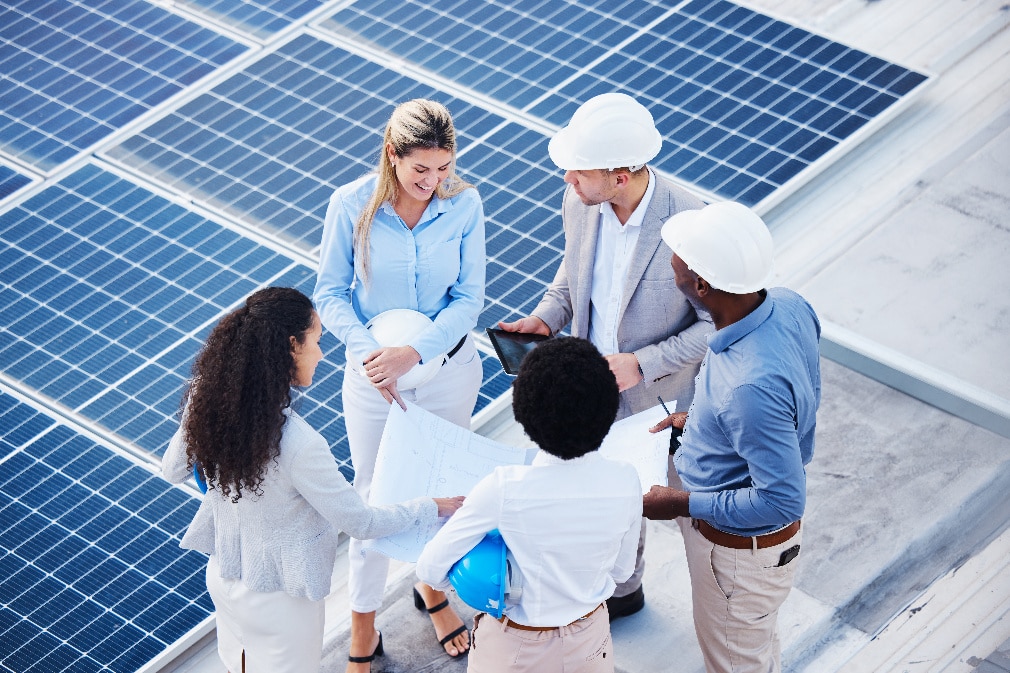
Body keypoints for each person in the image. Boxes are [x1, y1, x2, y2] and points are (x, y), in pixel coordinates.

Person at [161, 287, 464, 673]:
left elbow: (172, 470)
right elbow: (361, 522)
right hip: (282, 603)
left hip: (224, 578)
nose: (322, 354)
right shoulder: (299, 445)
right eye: (317, 341)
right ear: (291, 346)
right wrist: (430, 507)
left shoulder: (208, 398)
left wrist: (198, 405)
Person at [497, 92, 712, 618]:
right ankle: (614, 588)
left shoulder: (692, 223)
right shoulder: (580, 202)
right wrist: (546, 317)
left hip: (658, 402)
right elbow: (573, 278)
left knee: (655, 503)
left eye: (578, 172)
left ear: (620, 175)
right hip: (592, 391)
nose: (566, 180)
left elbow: (717, 326)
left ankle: (664, 598)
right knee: (599, 500)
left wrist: (641, 364)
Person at [313, 98, 485, 668]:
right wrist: (372, 358)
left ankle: (431, 587)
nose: (433, 183)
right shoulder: (350, 205)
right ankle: (363, 624)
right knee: (374, 496)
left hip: (447, 374)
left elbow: (468, 299)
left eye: (443, 169)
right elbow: (330, 295)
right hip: (375, 382)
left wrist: (416, 351)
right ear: (393, 156)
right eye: (420, 171)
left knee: (443, 485)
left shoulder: (464, 205)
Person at [642, 202, 822, 673]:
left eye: (677, 262)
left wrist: (680, 504)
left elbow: (782, 502)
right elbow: (795, 395)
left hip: (737, 558)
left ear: (701, 286)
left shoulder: (748, 390)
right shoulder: (788, 304)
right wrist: (703, 422)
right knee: (752, 650)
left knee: (737, 664)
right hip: (739, 549)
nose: (672, 267)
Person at [416, 337, 643, 673]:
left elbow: (429, 569)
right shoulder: (626, 479)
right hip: (589, 640)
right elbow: (623, 571)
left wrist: (488, 584)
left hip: (515, 648)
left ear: (523, 414)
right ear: (608, 412)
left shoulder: (503, 488)